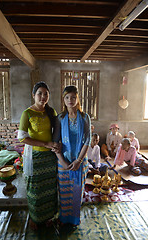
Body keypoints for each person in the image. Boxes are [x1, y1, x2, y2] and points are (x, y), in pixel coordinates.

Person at [18, 81, 58, 230]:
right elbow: (22, 137)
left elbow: (56, 132)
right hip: (35, 157)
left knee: (49, 188)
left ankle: (48, 217)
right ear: (33, 95)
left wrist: (55, 145)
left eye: (46, 94)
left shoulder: (51, 112)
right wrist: (46, 144)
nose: (43, 96)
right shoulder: (27, 113)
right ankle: (35, 218)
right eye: (40, 93)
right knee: (35, 189)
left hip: (50, 158)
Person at [53, 85, 91, 226]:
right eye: (67, 97)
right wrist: (62, 161)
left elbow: (87, 140)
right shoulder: (60, 118)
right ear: (63, 99)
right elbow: (55, 141)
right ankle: (64, 219)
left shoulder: (85, 117)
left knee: (76, 193)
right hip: (64, 162)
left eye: (73, 97)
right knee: (64, 193)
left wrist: (79, 161)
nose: (70, 100)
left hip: (80, 161)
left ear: (77, 99)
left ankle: (74, 219)